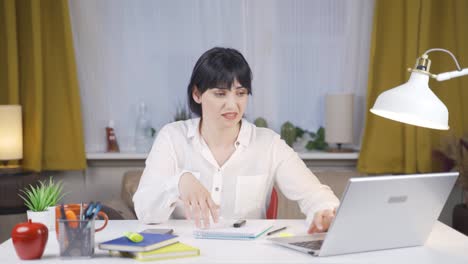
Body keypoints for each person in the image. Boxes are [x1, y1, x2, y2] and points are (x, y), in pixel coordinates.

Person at [133, 47, 339, 234]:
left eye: (240, 93)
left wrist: (325, 213)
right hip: (184, 254)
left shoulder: (269, 144)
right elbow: (145, 211)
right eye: (220, 94)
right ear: (197, 94)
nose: (232, 105)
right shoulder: (172, 137)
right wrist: (178, 183)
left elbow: (315, 195)